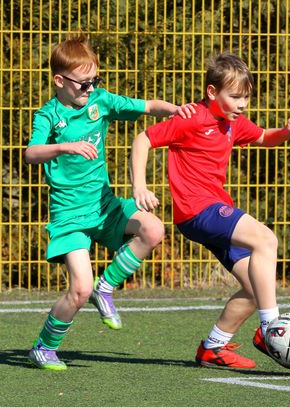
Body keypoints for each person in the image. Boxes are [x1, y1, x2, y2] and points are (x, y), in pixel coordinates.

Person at [24, 34, 195, 370]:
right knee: (78, 290)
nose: (90, 89)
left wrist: (177, 110)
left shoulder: (100, 101)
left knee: (153, 229)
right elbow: (31, 153)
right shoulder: (48, 115)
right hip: (70, 216)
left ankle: (106, 287)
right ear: (59, 81)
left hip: (105, 207)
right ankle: (43, 348)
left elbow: (147, 106)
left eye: (95, 81)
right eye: (83, 83)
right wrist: (65, 147)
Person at [130, 52, 290, 369]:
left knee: (256, 287)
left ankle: (213, 348)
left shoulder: (232, 122)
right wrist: (139, 186)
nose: (243, 104)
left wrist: (286, 132)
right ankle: (272, 328)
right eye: (236, 97)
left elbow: (263, 137)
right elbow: (143, 139)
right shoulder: (191, 118)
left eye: (246, 97)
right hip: (197, 210)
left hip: (213, 209)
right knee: (266, 240)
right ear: (212, 92)